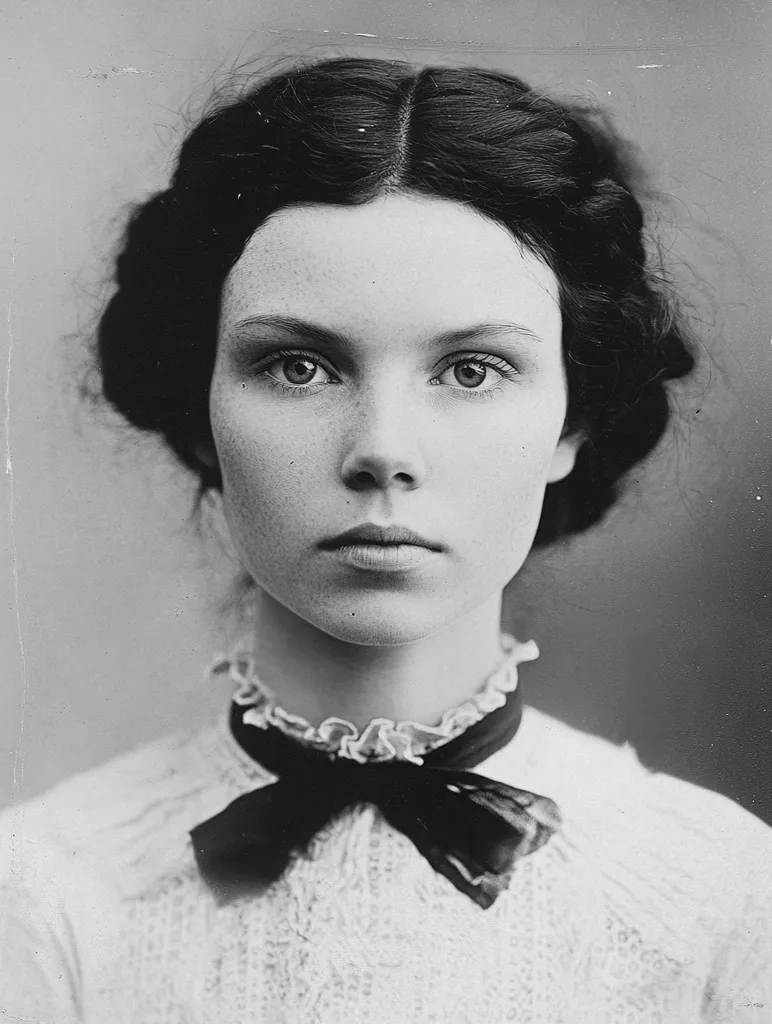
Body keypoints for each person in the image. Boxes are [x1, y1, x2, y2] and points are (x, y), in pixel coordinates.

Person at [1, 55, 770, 1023]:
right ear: (199, 409)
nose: (382, 451)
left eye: (473, 369)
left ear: (572, 422)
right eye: (297, 366)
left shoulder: (724, 906)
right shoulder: (39, 895)